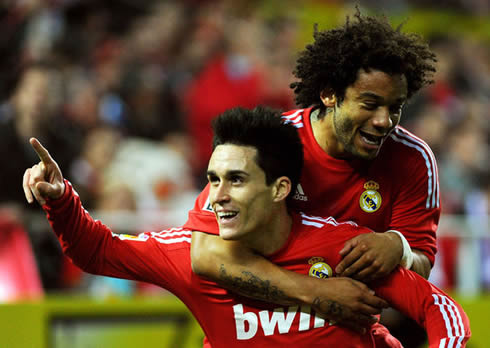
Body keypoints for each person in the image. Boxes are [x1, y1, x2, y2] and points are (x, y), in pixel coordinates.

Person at [23, 107, 469, 347]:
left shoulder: (341, 246)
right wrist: (62, 199)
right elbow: (96, 250)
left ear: (279, 189)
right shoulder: (190, 254)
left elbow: (441, 310)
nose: (217, 195)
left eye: (236, 180)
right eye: (213, 179)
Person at [186, 9, 440, 340]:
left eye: (395, 107)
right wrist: (316, 293)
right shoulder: (269, 145)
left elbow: (421, 261)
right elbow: (205, 253)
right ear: (329, 94)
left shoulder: (413, 159)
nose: (384, 121)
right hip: (254, 333)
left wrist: (399, 248)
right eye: (369, 103)